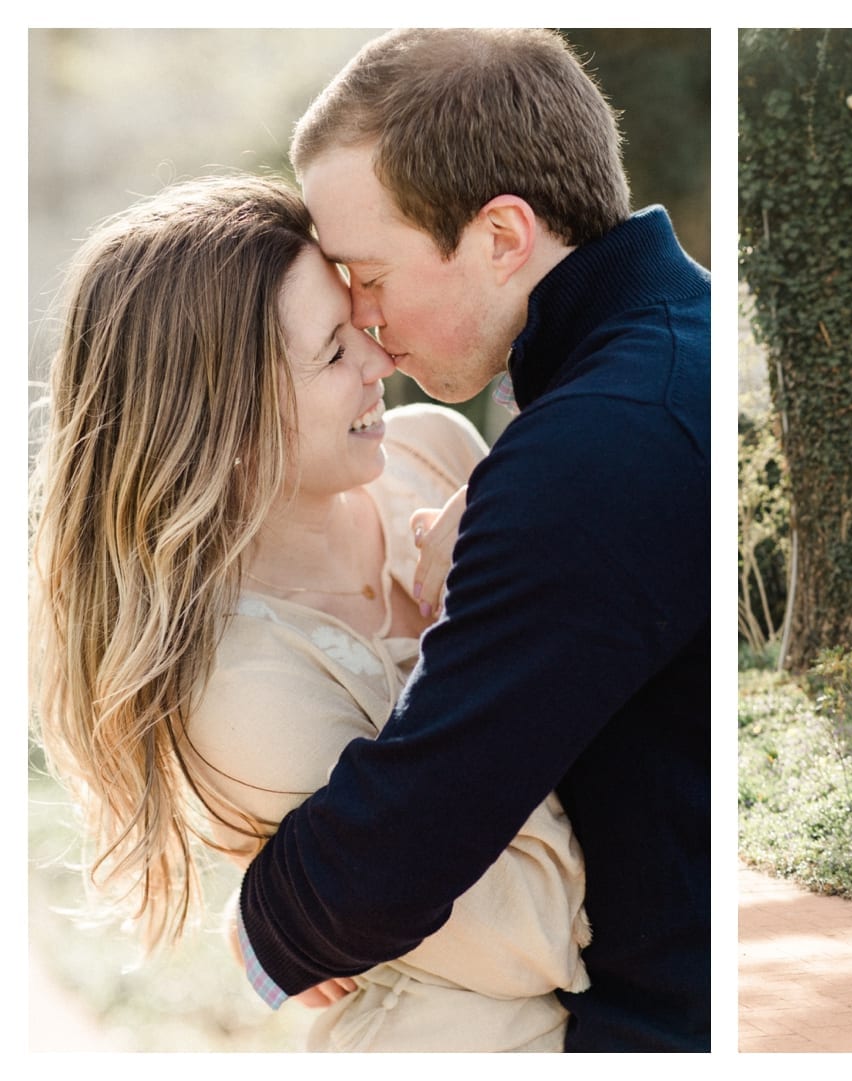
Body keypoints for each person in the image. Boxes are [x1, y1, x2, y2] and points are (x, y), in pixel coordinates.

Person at [29, 175, 592, 1051]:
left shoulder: (436, 456)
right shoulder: (243, 687)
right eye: (334, 351)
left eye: (361, 322)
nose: (383, 360)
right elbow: (532, 938)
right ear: (223, 420)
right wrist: (484, 615)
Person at [234, 28, 710, 1051]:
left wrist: (261, 924)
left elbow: (407, 841)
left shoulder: (592, 451)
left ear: (501, 236)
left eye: (366, 272)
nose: (361, 319)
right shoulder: (674, 352)